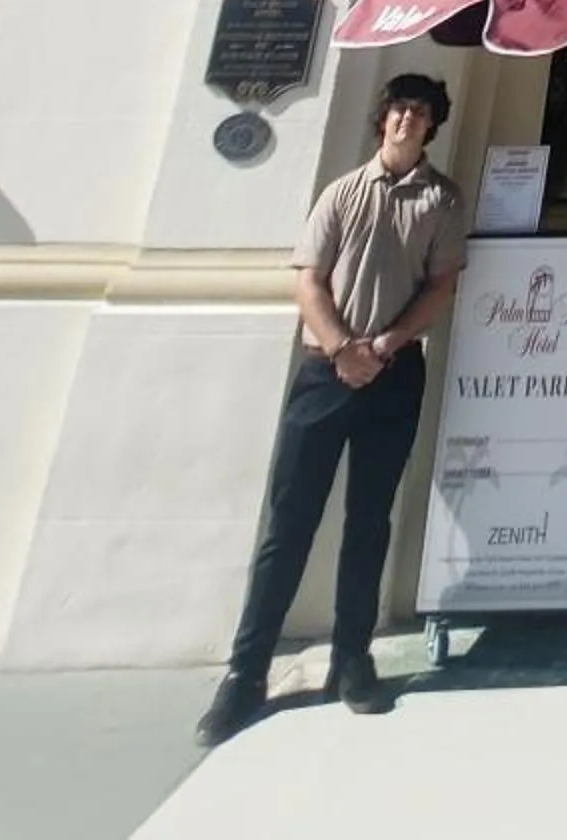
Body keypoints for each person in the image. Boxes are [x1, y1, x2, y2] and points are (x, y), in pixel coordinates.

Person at [196, 73, 468, 747]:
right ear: (383, 120)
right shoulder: (343, 192)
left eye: (420, 112)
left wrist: (385, 344)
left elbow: (440, 284)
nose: (407, 120)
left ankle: (354, 657)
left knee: (369, 521)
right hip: (325, 374)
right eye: (400, 109)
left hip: (393, 372)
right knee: (290, 523)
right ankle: (246, 671)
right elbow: (307, 279)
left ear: (433, 125)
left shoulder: (441, 198)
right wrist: (345, 347)